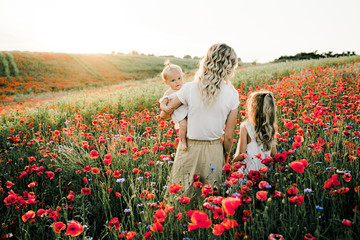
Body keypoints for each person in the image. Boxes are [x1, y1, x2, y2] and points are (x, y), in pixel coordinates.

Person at [160, 43, 239, 203]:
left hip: (188, 149)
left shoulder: (189, 88)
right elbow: (229, 136)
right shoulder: (232, 94)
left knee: (181, 199)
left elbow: (165, 114)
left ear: (207, 61)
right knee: (211, 202)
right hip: (214, 150)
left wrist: (165, 105)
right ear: (229, 66)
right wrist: (225, 156)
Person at [232, 91, 278, 178]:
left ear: (253, 108)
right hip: (263, 174)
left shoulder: (246, 126)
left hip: (248, 173)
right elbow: (274, 154)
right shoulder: (270, 127)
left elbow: (242, 154)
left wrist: (231, 162)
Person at [159, 61, 188, 150]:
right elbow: (162, 104)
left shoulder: (185, 87)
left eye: (179, 78)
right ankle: (183, 141)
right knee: (183, 124)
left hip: (189, 110)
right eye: (173, 80)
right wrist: (166, 108)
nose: (177, 82)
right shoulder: (169, 93)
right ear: (167, 82)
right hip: (180, 114)